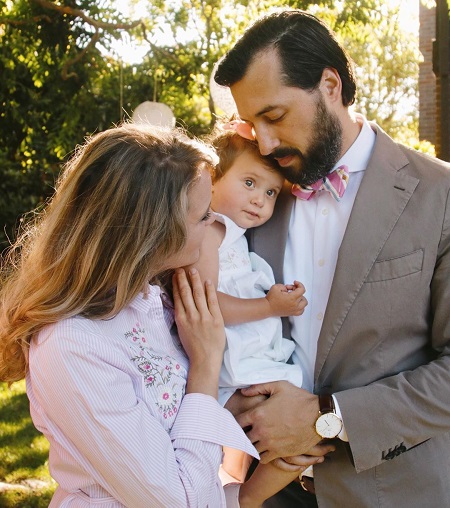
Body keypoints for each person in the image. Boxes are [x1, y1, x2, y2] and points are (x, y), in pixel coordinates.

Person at [213, 9, 450, 508]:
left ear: (329, 84)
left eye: (274, 117)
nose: (268, 142)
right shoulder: (256, 195)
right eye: (254, 125)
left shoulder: (440, 195)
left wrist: (329, 416)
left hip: (388, 493)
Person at [0, 123, 266, 507]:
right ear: (154, 233)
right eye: (204, 216)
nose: (215, 224)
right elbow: (178, 500)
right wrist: (207, 363)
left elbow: (172, 418)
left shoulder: (154, 300)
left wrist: (241, 412)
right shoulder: (72, 347)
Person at [193, 123, 331, 504]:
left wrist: (278, 296)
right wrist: (269, 306)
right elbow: (208, 304)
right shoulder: (209, 232)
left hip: (259, 362)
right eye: (249, 183)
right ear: (212, 179)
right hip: (239, 367)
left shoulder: (236, 237)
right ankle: (246, 500)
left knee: (305, 439)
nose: (259, 200)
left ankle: (248, 496)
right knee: (304, 441)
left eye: (270, 192)